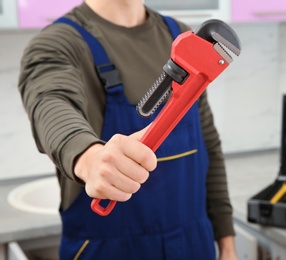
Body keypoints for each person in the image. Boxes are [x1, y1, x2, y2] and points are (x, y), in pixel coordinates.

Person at [17, 0, 238, 259]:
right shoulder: (57, 43)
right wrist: (89, 158)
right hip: (108, 248)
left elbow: (208, 145)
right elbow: (50, 103)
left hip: (193, 243)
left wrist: (227, 244)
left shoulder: (180, 34)